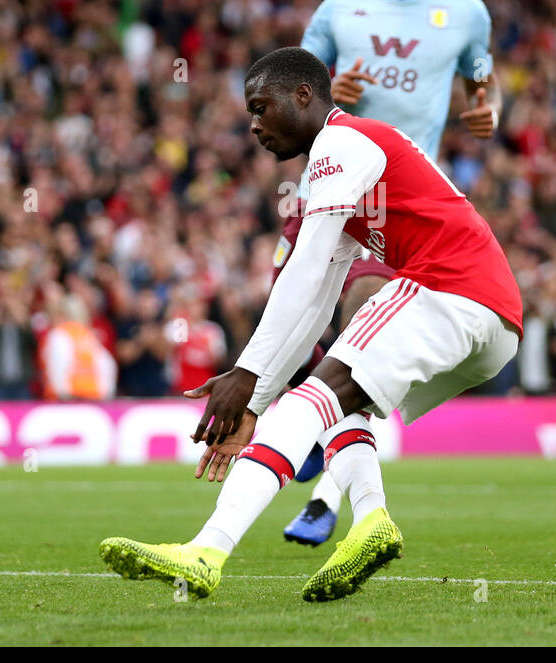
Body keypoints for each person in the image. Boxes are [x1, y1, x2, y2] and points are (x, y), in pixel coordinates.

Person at [99, 47, 522, 602]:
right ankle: (370, 520)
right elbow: (318, 302)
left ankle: (207, 549)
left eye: (260, 107)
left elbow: (300, 271)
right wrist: (255, 397)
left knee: (309, 401)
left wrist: (249, 376)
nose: (253, 125)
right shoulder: (344, 165)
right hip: (490, 318)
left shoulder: (341, 144)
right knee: (335, 400)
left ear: (303, 95)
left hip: (453, 289)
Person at [280, 0, 503, 545]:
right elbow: (294, 89)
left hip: (400, 202)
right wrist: (321, 92)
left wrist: (486, 109)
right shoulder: (341, 8)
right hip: (327, 187)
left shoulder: (465, 13)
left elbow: (481, 79)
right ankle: (320, 440)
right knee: (289, 321)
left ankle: (332, 504)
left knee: (363, 328)